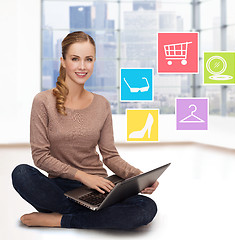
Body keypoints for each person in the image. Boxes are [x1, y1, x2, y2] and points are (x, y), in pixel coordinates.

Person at [11, 31, 158, 230]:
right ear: (63, 61)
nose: (82, 66)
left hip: (100, 186)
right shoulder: (43, 101)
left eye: (88, 59)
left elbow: (110, 155)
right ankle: (92, 217)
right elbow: (40, 157)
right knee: (21, 173)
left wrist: (137, 176)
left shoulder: (101, 104)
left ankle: (61, 219)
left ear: (94, 62)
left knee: (146, 208)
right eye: (75, 59)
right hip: (60, 188)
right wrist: (82, 176)